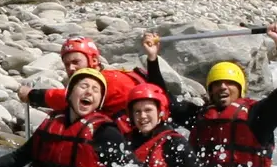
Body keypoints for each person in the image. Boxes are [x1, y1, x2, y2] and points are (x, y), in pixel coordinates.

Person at [187, 23, 277, 167]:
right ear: (209, 91)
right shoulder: (199, 116)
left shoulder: (258, 116)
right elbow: (163, 103)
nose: (222, 87)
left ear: (240, 90)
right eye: (217, 84)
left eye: (229, 83)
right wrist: (152, 58)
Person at [19, 33, 167, 123]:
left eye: (76, 62)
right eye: (67, 64)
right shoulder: (109, 75)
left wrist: (32, 95)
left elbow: (65, 98)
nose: (71, 68)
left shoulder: (108, 81)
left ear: (94, 61)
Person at [123, 83, 203, 167]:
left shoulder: (174, 142)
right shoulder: (126, 141)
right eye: (137, 111)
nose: (142, 116)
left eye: (148, 110)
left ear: (160, 112)